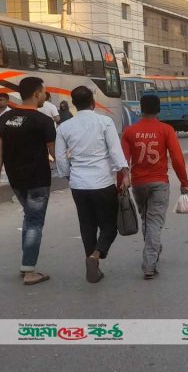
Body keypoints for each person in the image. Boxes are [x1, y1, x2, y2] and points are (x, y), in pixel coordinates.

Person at [56, 86, 131, 284]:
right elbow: (115, 151)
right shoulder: (104, 122)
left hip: (78, 184)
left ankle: (92, 263)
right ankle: (95, 257)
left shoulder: (64, 127)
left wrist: (68, 176)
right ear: (93, 103)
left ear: (73, 104)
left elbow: (61, 159)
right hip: (103, 182)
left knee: (87, 225)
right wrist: (124, 173)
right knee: (109, 225)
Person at [0, 78, 56, 285]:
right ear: (36, 94)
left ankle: (26, 265)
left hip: (16, 180)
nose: (44, 95)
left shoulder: (5, 118)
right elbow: (54, 151)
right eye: (43, 92)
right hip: (38, 180)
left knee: (29, 217)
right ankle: (29, 271)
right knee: (35, 222)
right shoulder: (43, 121)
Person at [119, 94, 188, 279]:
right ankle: (150, 264)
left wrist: (122, 181)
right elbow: (177, 159)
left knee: (146, 218)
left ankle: (153, 248)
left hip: (138, 183)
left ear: (141, 109)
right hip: (159, 182)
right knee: (155, 222)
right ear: (158, 109)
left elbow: (123, 160)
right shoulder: (166, 130)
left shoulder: (129, 132)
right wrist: (184, 182)